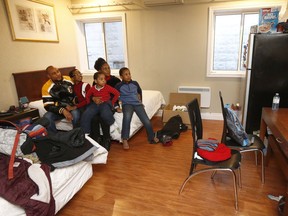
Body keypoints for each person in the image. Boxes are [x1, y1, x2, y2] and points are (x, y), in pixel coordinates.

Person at [115, 67, 159, 150]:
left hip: (137, 104)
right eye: (126, 74)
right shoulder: (118, 86)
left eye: (129, 74)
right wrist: (116, 106)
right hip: (127, 105)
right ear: (121, 77)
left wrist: (141, 102)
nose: (128, 76)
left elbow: (140, 92)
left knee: (146, 120)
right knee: (127, 118)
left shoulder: (135, 83)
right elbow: (114, 96)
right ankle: (124, 139)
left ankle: (151, 137)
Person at [90, 58, 121, 150]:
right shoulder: (96, 81)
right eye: (105, 68)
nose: (108, 70)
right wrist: (94, 98)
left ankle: (107, 139)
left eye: (108, 67)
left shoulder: (115, 80)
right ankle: (97, 138)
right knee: (94, 116)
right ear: (100, 71)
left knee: (103, 116)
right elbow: (93, 94)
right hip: (98, 103)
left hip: (110, 103)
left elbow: (119, 94)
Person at [42, 66, 80, 133]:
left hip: (71, 107)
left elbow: (77, 92)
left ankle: (76, 135)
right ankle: (54, 138)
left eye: (58, 71)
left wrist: (75, 102)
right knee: (47, 117)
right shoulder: (46, 87)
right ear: (49, 76)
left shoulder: (69, 79)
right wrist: (62, 110)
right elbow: (48, 106)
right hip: (57, 110)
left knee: (76, 114)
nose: (58, 74)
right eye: (54, 73)